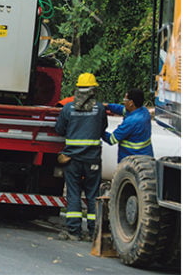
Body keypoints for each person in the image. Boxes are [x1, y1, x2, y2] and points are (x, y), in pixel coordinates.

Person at [54, 72, 108, 241]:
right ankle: (94, 232)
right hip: (92, 159)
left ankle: (73, 232)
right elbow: (102, 129)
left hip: (72, 159)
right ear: (93, 91)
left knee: (74, 194)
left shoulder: (68, 108)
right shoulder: (99, 109)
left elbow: (59, 129)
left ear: (77, 89)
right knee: (93, 195)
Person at [102, 88, 153, 162]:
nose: (123, 102)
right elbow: (122, 109)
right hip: (146, 157)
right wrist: (108, 106)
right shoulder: (144, 111)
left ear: (131, 103)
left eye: (125, 100)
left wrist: (98, 129)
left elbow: (111, 140)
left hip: (131, 161)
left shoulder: (131, 122)